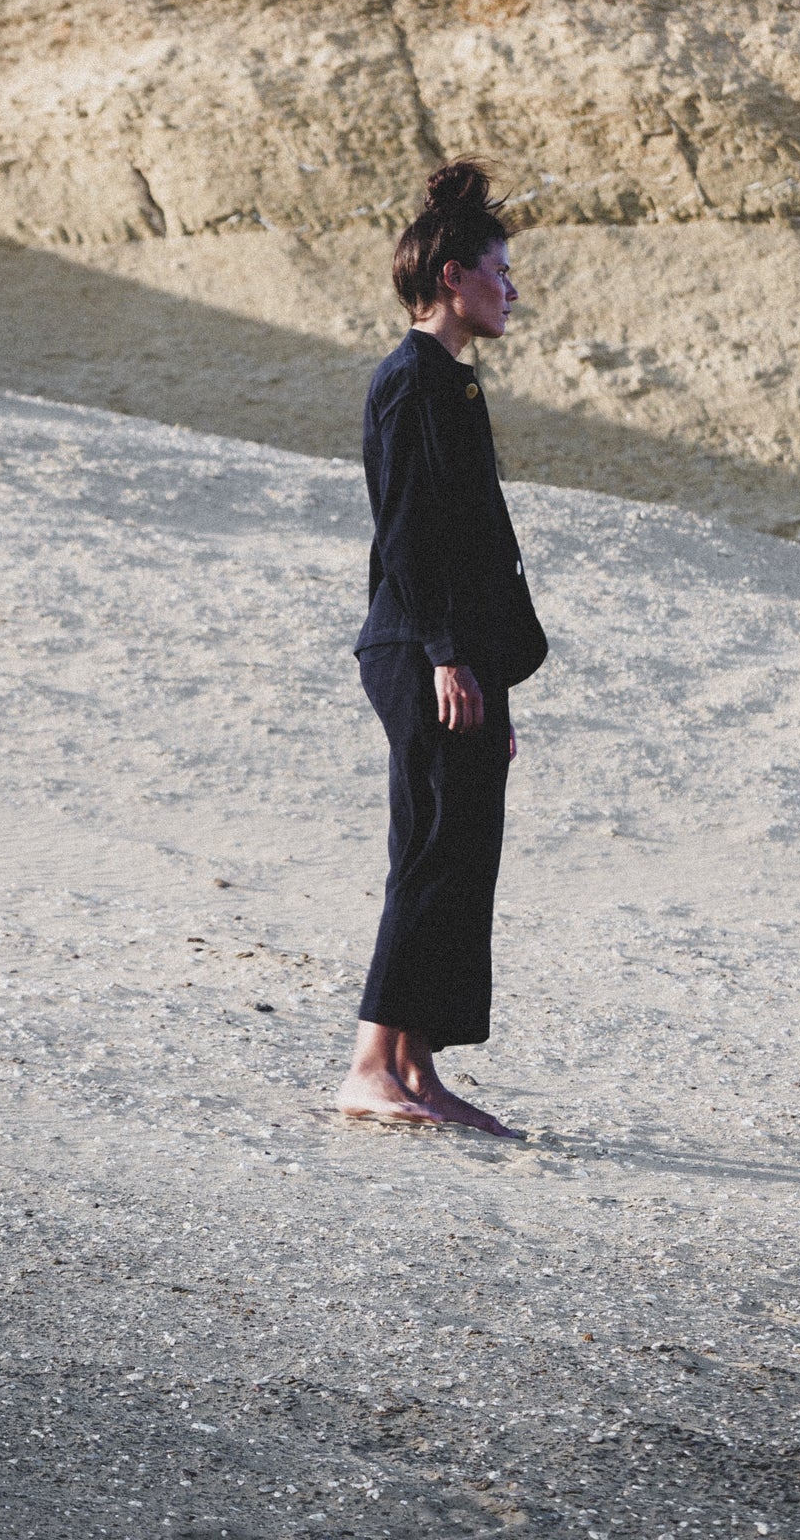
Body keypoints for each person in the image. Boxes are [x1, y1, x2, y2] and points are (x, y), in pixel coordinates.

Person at [336, 160, 548, 1136]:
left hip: (458, 656)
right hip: (422, 649)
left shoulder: (451, 383)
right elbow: (410, 531)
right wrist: (446, 656)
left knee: (462, 853)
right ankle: (368, 1065)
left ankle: (417, 1070)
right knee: (429, 848)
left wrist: (488, 682)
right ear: (453, 276)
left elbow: (470, 543)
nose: (512, 291)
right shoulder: (410, 379)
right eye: (499, 272)